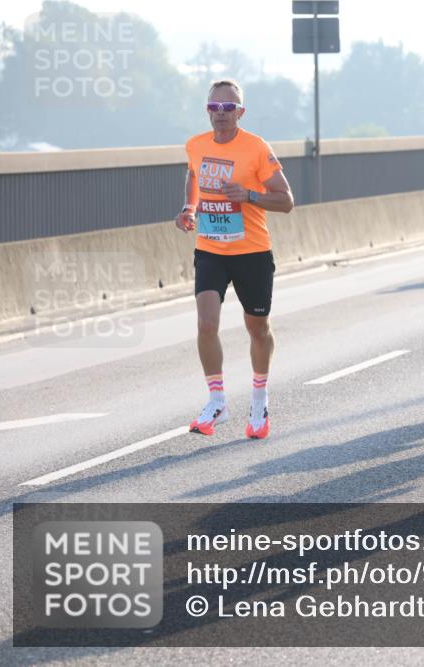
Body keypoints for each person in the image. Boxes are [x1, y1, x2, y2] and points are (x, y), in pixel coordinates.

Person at [175, 79, 294, 439]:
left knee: (257, 328)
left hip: (252, 252)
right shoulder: (195, 145)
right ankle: (218, 401)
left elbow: (286, 200)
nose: (220, 115)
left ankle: (259, 401)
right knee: (206, 325)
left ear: (240, 112)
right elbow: (194, 175)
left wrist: (248, 195)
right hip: (210, 249)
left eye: (228, 108)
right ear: (207, 110)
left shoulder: (256, 148)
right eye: (214, 108)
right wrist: (189, 207)